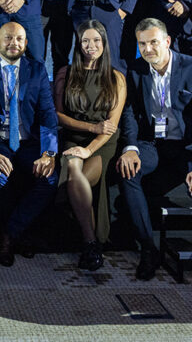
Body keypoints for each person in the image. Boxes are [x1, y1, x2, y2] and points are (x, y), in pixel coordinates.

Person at [0, 21, 58, 267]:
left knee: (49, 180)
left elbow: (48, 115)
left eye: (19, 39)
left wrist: (49, 152)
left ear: (26, 43)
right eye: (8, 38)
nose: (13, 43)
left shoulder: (37, 71)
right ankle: (17, 234)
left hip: (29, 144)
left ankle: (10, 233)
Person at [118, 18, 192, 280]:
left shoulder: (190, 67)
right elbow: (129, 113)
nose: (148, 49)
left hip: (185, 147)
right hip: (152, 144)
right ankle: (148, 249)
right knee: (128, 171)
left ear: (167, 41)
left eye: (153, 42)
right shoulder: (136, 70)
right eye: (142, 44)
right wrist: (130, 147)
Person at [54, 19, 126, 271]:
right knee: (74, 169)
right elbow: (58, 116)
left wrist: (89, 147)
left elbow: (111, 126)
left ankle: (89, 241)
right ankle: (91, 243)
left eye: (96, 40)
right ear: (78, 44)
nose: (91, 45)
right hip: (74, 136)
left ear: (104, 43)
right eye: (85, 40)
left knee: (80, 179)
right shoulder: (65, 73)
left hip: (103, 143)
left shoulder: (116, 78)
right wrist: (90, 128)